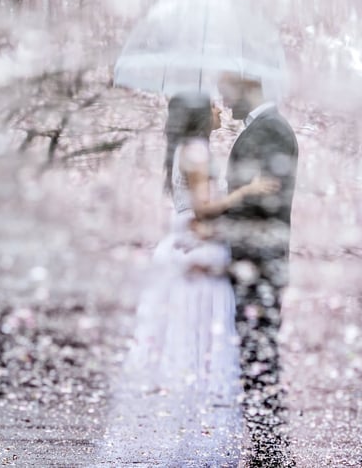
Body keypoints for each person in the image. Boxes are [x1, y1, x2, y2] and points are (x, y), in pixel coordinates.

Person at [95, 91, 278, 468]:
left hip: (189, 247)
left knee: (184, 342)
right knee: (197, 343)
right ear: (198, 114)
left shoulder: (187, 149)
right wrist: (247, 190)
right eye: (212, 105)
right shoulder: (195, 151)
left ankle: (181, 438)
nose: (219, 109)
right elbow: (203, 208)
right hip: (196, 253)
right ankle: (190, 444)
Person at [217, 71, 299, 468]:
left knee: (259, 353)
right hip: (252, 263)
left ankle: (269, 454)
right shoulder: (264, 129)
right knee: (254, 352)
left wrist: (217, 212)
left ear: (250, 86)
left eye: (227, 89)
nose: (223, 98)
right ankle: (265, 448)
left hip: (259, 265)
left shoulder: (272, 131)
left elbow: (263, 204)